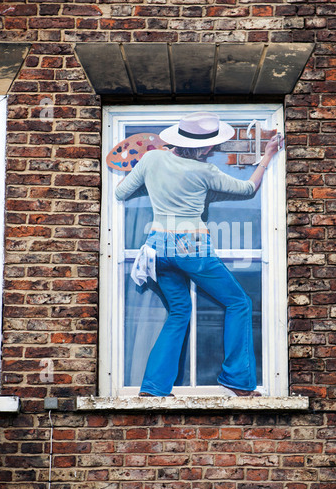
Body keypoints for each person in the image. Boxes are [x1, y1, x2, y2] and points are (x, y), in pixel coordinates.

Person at [115, 112, 282, 397]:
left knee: (179, 312)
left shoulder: (152, 159)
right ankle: (238, 381)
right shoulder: (206, 172)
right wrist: (267, 156)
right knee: (239, 302)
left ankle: (153, 389)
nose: (215, 150)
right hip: (190, 245)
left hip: (157, 246)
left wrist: (158, 185)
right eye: (213, 146)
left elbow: (121, 193)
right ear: (205, 148)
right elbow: (248, 189)